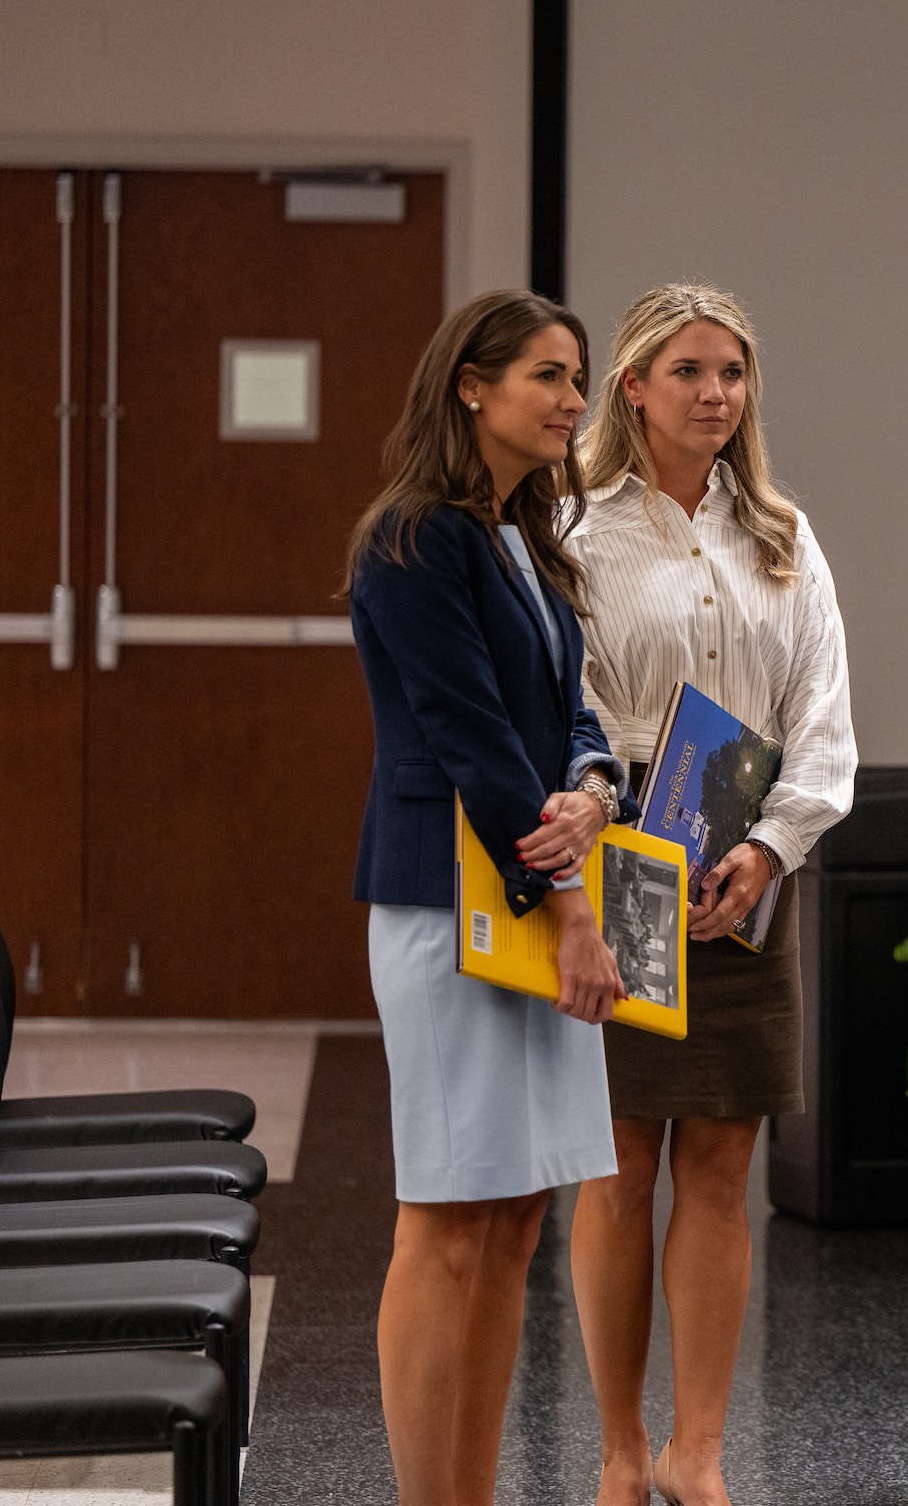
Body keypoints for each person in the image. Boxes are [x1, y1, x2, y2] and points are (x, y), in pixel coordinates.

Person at [565, 283, 856, 1506]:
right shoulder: (573, 530)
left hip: (751, 868)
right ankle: (623, 1447)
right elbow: (557, 703)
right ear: (632, 386)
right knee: (623, 1160)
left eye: (732, 374)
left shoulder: (782, 533)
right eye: (688, 372)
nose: (715, 396)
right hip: (621, 857)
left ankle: (701, 1450)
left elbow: (826, 726)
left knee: (724, 1161)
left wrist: (772, 849)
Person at [346, 288, 630, 1506]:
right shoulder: (415, 536)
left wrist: (596, 782)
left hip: (532, 880)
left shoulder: (522, 532)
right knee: (448, 1223)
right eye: (550, 377)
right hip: (450, 903)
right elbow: (467, 732)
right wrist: (568, 900)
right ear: (471, 384)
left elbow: (564, 709)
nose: (576, 401)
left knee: (515, 1221)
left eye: (578, 379)